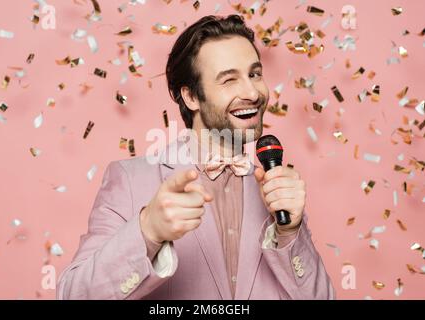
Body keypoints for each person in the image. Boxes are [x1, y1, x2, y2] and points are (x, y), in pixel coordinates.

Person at [57, 14, 335, 300]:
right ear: (190, 97)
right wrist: (147, 230)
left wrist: (290, 231)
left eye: (254, 74)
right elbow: (73, 295)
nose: (252, 92)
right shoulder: (128, 179)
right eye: (229, 80)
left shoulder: (275, 187)